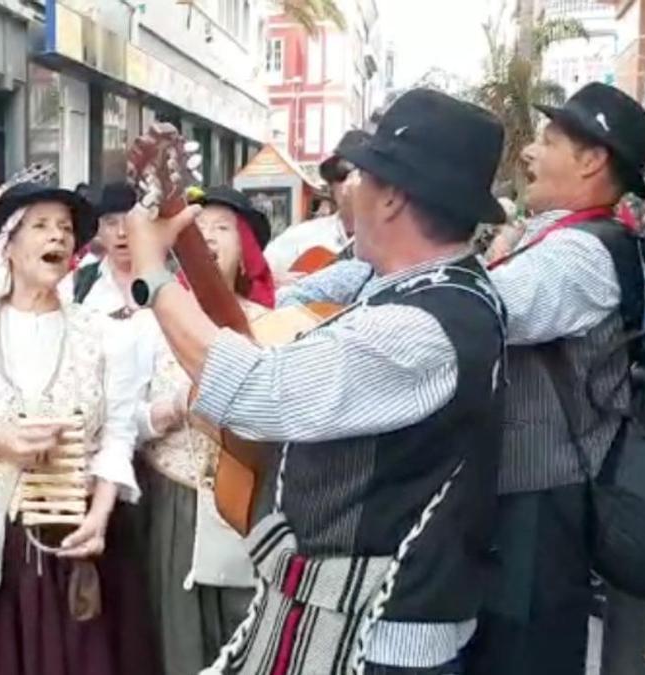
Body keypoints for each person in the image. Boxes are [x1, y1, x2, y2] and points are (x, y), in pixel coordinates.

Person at [125, 89, 508, 674]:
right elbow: (249, 335)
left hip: (374, 643)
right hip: (330, 621)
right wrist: (184, 239)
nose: (348, 190)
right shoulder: (393, 287)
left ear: (393, 198)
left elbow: (256, 390)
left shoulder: (423, 327)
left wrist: (150, 275)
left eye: (361, 176)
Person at [0, 181, 155, 675]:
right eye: (41, 226)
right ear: (8, 243)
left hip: (75, 539)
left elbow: (117, 438)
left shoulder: (106, 335)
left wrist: (101, 515)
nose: (58, 238)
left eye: (66, 229)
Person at [461, 82, 645, 675]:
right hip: (535, 498)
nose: (529, 153)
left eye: (548, 141)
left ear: (593, 159)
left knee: (525, 653)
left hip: (542, 504)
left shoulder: (581, 255)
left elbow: (474, 315)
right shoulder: (574, 239)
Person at [131, 186, 273, 674]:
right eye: (197, 226)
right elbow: (117, 419)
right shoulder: (151, 320)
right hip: (173, 503)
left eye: (222, 228)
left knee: (248, 636)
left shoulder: (271, 325)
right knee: (173, 641)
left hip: (248, 506)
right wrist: (172, 410)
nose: (207, 238)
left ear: (247, 247)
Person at [262, 130, 365, 284]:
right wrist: (273, 282)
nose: (348, 185)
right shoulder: (301, 236)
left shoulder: (398, 244)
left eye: (361, 174)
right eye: (340, 174)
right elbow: (254, 277)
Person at [59, 182, 139, 317]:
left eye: (129, 222)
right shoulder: (78, 283)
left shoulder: (169, 283)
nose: (121, 232)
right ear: (98, 230)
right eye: (111, 223)